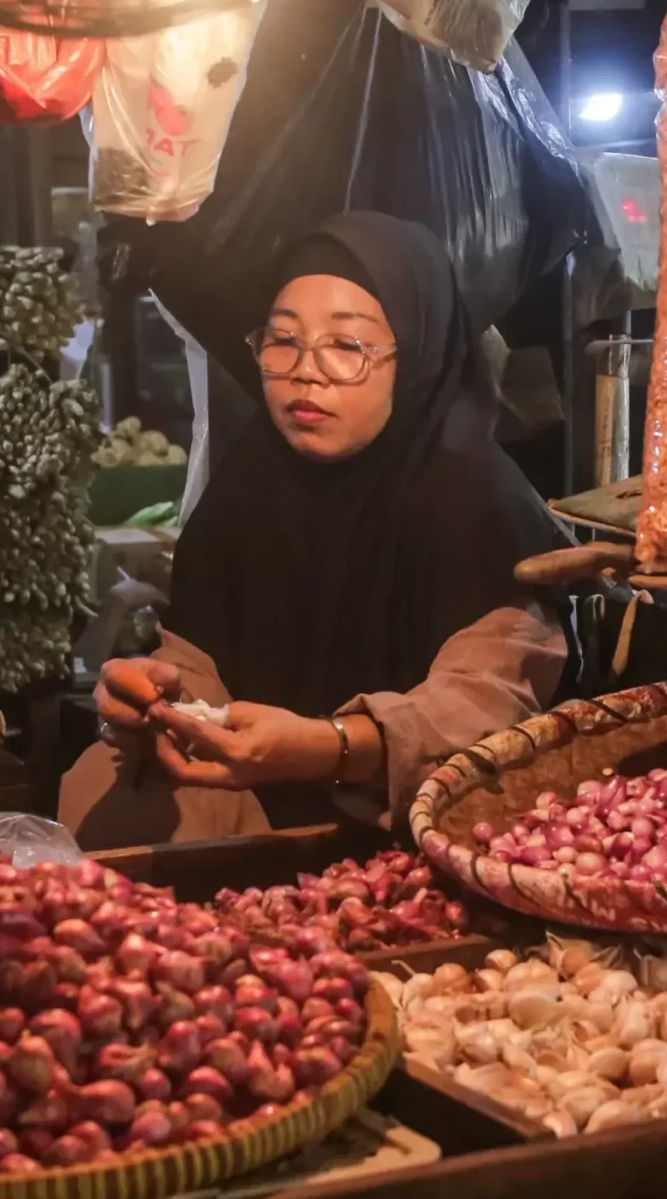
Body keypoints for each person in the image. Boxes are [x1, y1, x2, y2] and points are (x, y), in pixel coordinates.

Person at [62, 213, 570, 846]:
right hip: (251, 801)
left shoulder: (475, 500)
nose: (306, 371)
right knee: (107, 790)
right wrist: (156, 698)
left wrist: (330, 747)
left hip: (419, 829)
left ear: (416, 357)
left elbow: (488, 703)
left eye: (348, 346)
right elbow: (201, 663)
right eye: (282, 340)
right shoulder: (251, 482)